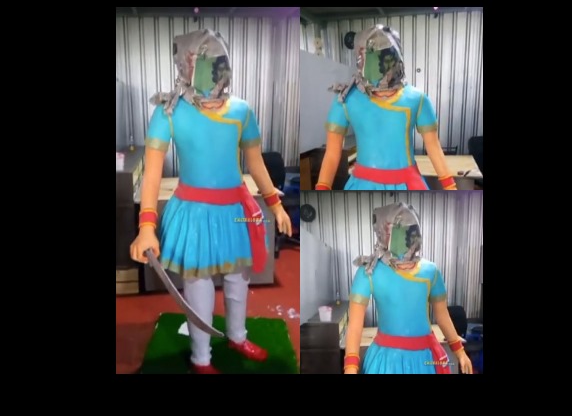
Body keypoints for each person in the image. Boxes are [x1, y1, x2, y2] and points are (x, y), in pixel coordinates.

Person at [129, 29, 292, 374]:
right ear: (185, 65)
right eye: (200, 62)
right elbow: (152, 174)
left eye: (217, 61)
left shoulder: (241, 110)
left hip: (237, 210)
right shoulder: (168, 112)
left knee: (238, 279)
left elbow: (255, 162)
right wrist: (146, 226)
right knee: (198, 286)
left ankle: (237, 336)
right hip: (194, 212)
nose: (211, 70)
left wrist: (275, 204)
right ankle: (201, 358)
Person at [315, 25, 457, 191]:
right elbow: (332, 153)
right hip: (363, 184)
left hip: (408, 183)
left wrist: (450, 187)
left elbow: (433, 147)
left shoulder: (417, 99)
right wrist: (322, 187)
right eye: (374, 56)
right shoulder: (346, 99)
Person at [344, 203, 472, 374]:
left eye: (408, 228)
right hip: (387, 363)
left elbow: (442, 315)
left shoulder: (430, 271)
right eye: (394, 229)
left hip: (426, 360)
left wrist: (460, 351)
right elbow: (355, 325)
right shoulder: (368, 272)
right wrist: (350, 368)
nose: (402, 235)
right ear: (382, 232)